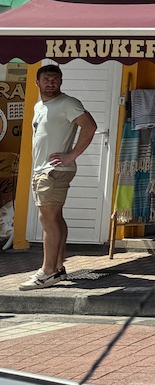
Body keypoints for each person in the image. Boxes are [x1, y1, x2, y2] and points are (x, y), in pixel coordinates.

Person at [20, 62, 97, 290]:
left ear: (61, 81)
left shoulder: (68, 103)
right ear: (37, 82)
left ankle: (47, 271)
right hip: (42, 170)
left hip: (54, 171)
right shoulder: (39, 106)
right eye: (46, 79)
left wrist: (72, 155)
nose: (51, 83)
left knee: (48, 219)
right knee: (55, 218)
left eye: (55, 79)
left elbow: (90, 126)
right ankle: (58, 268)